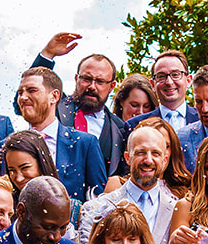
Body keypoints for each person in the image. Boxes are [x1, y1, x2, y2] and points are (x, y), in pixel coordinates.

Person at [24, 33, 130, 176]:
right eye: (86, 79)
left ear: (112, 86)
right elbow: (28, 97)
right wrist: (47, 55)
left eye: (99, 81)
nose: (92, 86)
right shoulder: (54, 106)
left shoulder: (120, 128)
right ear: (76, 79)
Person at [79, 124, 182, 244]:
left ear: (164, 160)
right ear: (127, 158)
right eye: (141, 153)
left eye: (155, 153)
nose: (148, 160)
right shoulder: (97, 209)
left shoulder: (175, 210)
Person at [14, 65, 108, 201]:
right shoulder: (7, 146)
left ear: (54, 96)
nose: (23, 97)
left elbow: (97, 202)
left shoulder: (85, 143)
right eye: (20, 92)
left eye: (32, 90)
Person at [126, 50, 199, 127]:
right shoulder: (135, 125)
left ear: (188, 80)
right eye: (161, 76)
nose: (169, 82)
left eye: (175, 75)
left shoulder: (204, 119)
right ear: (153, 84)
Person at [0, 129, 58, 195]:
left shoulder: (64, 202)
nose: (19, 179)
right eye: (12, 170)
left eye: (24, 168)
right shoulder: (6, 204)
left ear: (41, 164)